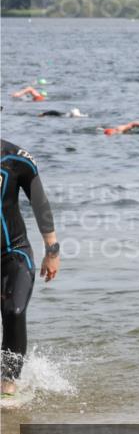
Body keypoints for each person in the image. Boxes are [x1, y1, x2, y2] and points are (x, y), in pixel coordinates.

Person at [2, 139, 60, 396]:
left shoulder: (17, 159)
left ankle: (7, 386)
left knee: (14, 311)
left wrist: (52, 250)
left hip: (13, 253)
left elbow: (40, 204)